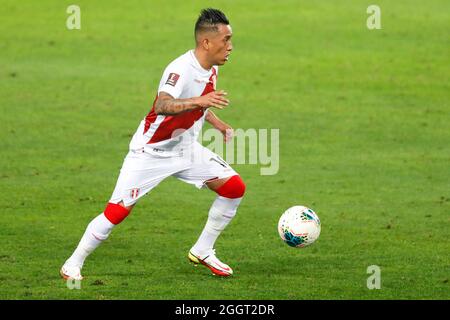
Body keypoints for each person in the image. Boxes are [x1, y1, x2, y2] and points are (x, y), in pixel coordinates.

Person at [60, 8, 245, 279]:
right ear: (207, 42)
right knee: (117, 212)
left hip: (185, 149)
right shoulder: (180, 69)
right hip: (151, 153)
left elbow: (200, 102)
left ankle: (203, 249)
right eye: (226, 40)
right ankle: (73, 263)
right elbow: (163, 104)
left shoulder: (212, 67)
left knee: (234, 188)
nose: (230, 46)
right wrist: (200, 102)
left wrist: (218, 124)